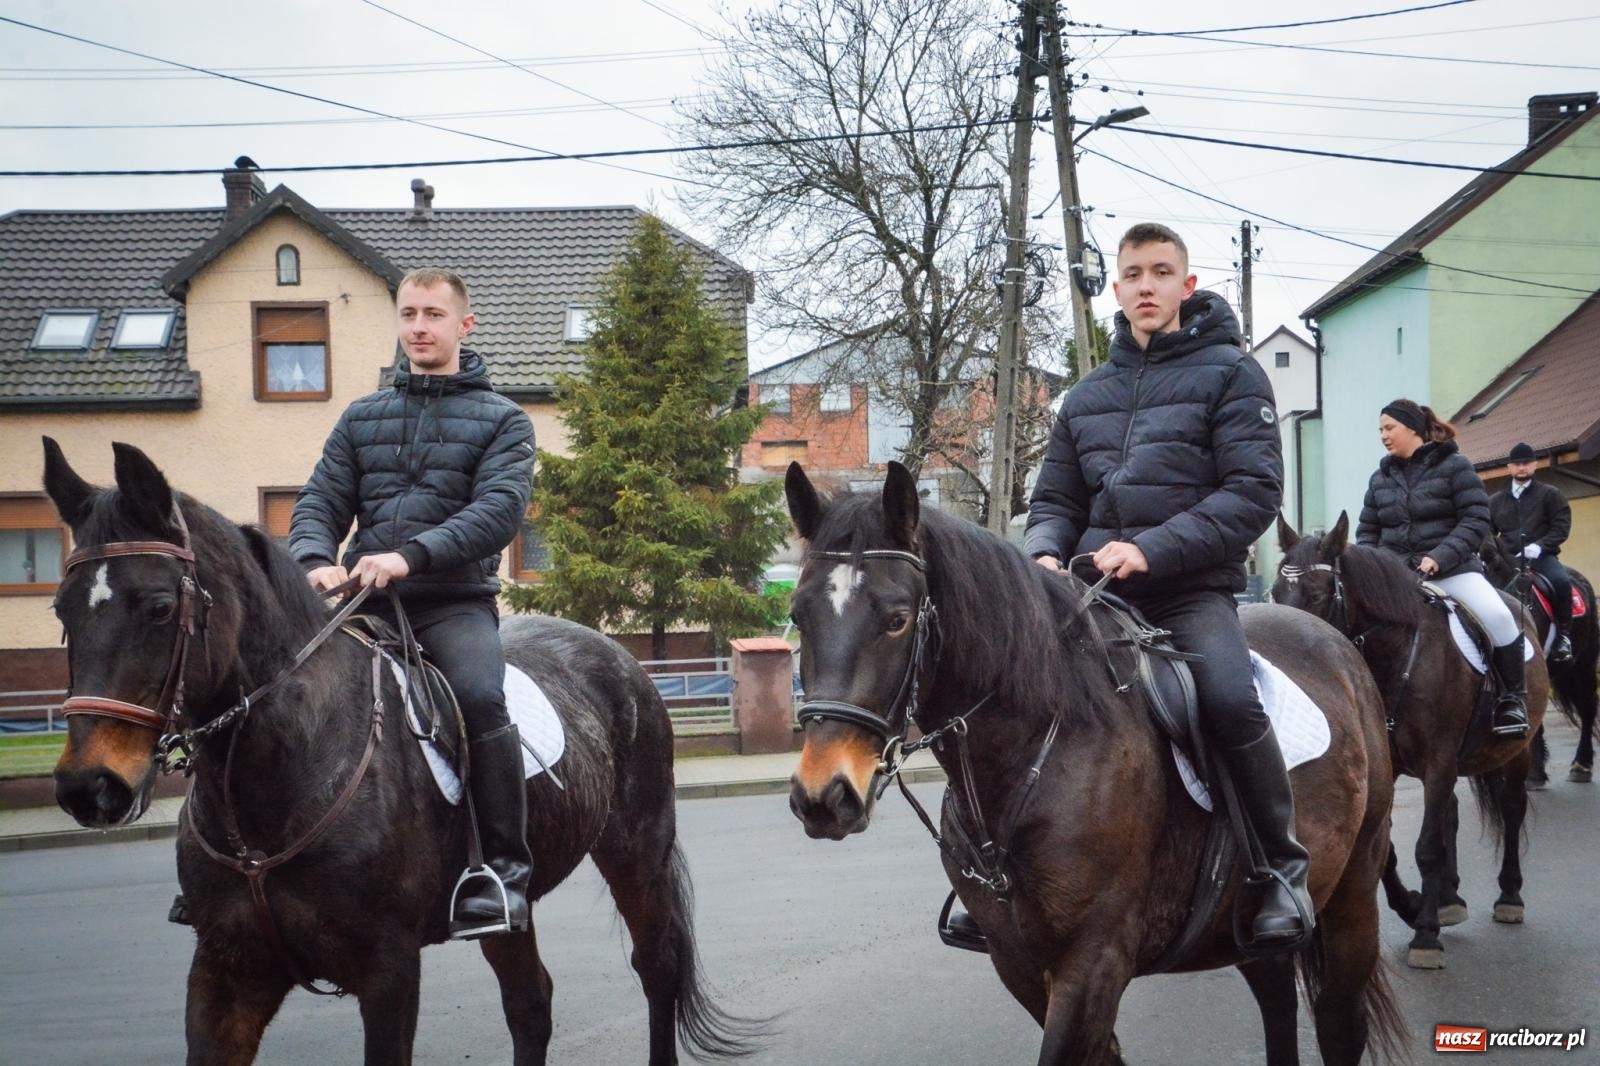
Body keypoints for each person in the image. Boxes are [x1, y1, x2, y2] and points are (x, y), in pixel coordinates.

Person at [1011, 221, 1309, 954]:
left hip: (1186, 590)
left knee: (1230, 699)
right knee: (1008, 694)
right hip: (1089, 593)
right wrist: (1044, 553)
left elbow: (1252, 493)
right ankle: (991, 872)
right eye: (1134, 273)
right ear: (1117, 288)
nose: (1147, 285)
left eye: (1161, 271)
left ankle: (1279, 867)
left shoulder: (1234, 374)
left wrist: (1150, 551)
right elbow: (1054, 502)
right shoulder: (1085, 398)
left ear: (1187, 285)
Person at [290, 267, 537, 939]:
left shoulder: (505, 422)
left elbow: (497, 513)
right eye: (408, 315)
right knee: (272, 682)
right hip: (360, 603)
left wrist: (410, 555)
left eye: (432, 314)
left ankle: (504, 875)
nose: (419, 327)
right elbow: (319, 500)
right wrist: (313, 559)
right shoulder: (361, 417)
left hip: (452, 604)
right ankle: (227, 866)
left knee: (482, 698)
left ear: (464, 325)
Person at [1357, 399, 1528, 737]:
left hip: (1454, 570)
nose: (1383, 436)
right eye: (1380, 430)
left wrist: (1440, 555)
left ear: (1413, 429)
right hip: (1399, 578)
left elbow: (1476, 518)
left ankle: (1512, 699)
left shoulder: (1456, 467)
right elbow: (1368, 533)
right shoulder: (1380, 478)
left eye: (1389, 428)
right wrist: (1376, 569)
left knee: (1499, 617)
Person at [1489, 442, 1574, 663]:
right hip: (1508, 560)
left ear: (1535, 465)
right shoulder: (1495, 501)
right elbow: (1487, 532)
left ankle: (1564, 637)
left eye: (1526, 463)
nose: (1521, 468)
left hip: (1542, 558)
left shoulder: (1550, 495)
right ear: (1509, 467)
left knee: (1562, 582)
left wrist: (1540, 546)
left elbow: (1561, 527)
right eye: (1517, 464)